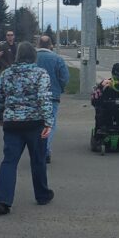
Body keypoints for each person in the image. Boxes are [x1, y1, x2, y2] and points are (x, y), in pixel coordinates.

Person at [0, 43, 55, 215]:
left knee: (9, 161)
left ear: (18, 55)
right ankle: (42, 195)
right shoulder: (41, 74)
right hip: (35, 123)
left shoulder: (6, 74)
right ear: (33, 56)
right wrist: (48, 121)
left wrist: (0, 116)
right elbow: (44, 98)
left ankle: (3, 200)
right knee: (38, 160)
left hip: (12, 123)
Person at [35, 35, 69, 164]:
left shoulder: (33, 58)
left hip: (35, 95)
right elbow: (65, 77)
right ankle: (46, 150)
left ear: (38, 45)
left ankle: (38, 149)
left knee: (37, 123)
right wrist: (60, 88)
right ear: (51, 45)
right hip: (52, 95)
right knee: (50, 124)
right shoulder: (57, 59)